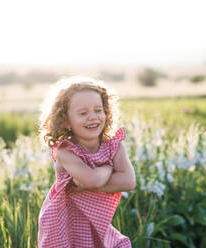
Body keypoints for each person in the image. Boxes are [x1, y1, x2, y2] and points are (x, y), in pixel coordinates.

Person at [38, 76, 135, 247]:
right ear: (66, 121)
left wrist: (85, 184)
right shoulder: (66, 151)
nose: (93, 117)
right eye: (83, 113)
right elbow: (94, 180)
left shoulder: (114, 145)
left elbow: (128, 181)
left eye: (98, 110)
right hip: (63, 223)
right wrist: (106, 169)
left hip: (94, 220)